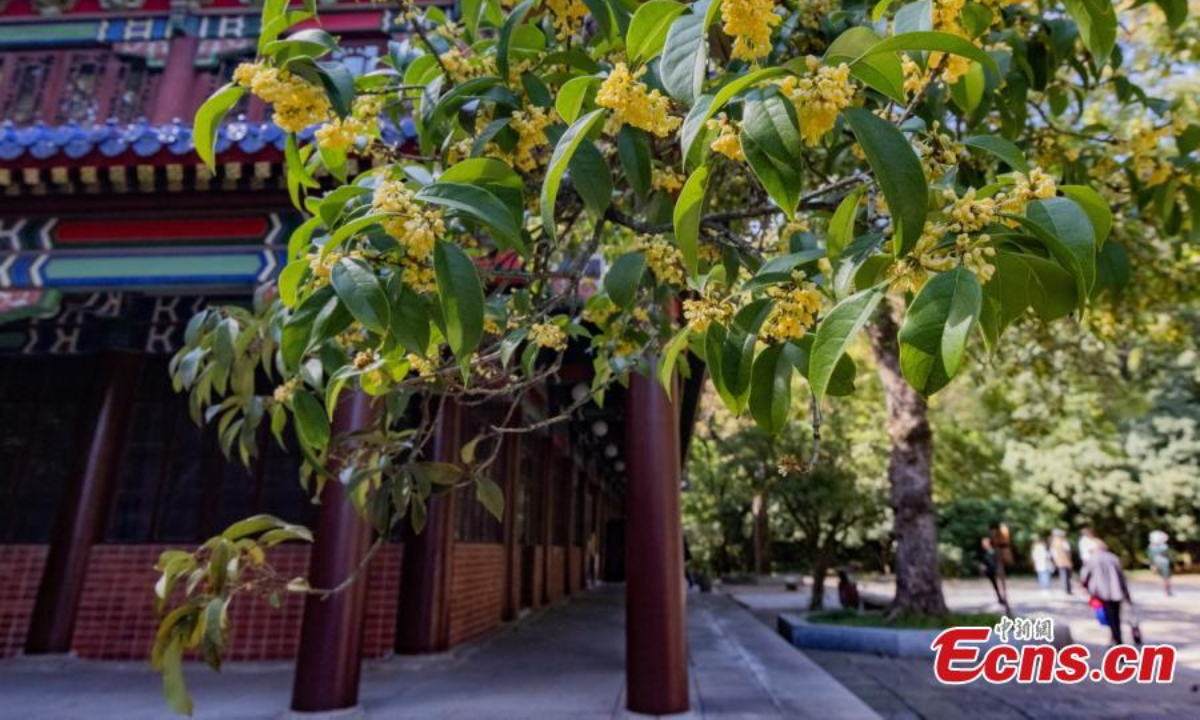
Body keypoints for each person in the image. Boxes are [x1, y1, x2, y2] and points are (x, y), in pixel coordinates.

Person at [1081, 540, 1132, 645]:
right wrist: (1127, 595)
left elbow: (1085, 576)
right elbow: (1122, 577)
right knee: (1116, 617)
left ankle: (1115, 640)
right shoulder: (1113, 558)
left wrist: (1085, 587)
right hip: (1116, 592)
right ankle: (1116, 638)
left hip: (1101, 593)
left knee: (1108, 617)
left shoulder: (1093, 559)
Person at [980, 537, 1010, 613]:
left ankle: (1003, 599)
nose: (983, 545)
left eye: (984, 543)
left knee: (1000, 585)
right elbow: (985, 562)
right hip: (990, 572)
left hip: (996, 571)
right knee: (995, 586)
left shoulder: (994, 551)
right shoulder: (985, 553)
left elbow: (998, 561)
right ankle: (1000, 598)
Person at [1148, 530, 1173, 596]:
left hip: (1157, 562)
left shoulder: (1151, 546)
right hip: (1163, 562)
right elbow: (1167, 554)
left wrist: (1152, 564)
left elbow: (1151, 556)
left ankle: (1166, 590)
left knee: (1163, 577)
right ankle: (1167, 590)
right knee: (1166, 577)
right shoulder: (1164, 546)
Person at [1050, 529, 1074, 594]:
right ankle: (1067, 589)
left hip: (1059, 561)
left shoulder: (1053, 543)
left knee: (1063, 574)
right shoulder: (1063, 541)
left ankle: (1065, 588)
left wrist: (1055, 560)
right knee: (1066, 575)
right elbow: (1067, 550)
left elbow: (1053, 553)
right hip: (1065, 560)